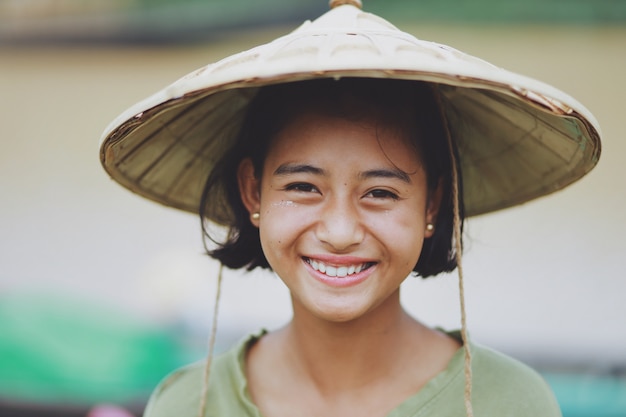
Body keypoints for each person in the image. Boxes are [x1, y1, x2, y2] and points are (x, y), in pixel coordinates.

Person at [100, 1, 601, 417]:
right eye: (303, 186)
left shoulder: (509, 403)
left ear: (433, 202)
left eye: (380, 193)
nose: (339, 231)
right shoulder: (188, 404)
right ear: (253, 194)